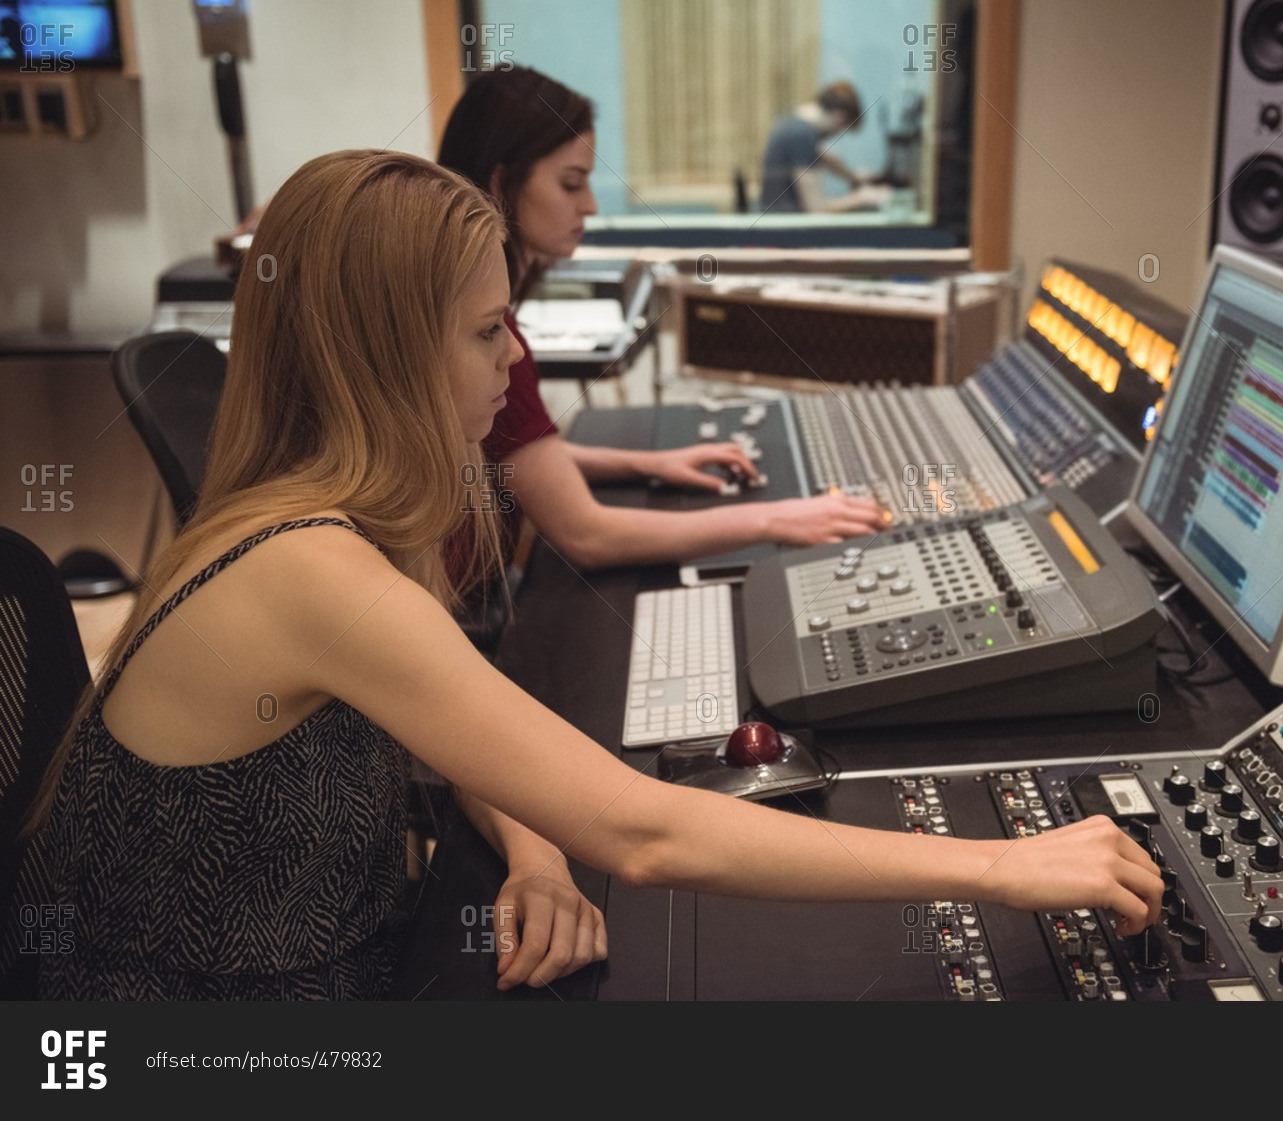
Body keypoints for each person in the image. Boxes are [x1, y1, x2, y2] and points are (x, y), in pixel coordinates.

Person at [23, 150, 1161, 1000]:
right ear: (386, 362)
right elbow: (648, 834)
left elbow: (444, 726)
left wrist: (531, 844)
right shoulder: (312, 570)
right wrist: (1005, 867)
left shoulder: (339, 521)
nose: (516, 358)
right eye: (485, 332)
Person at [438, 66, 888, 569]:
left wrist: (649, 463)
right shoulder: (489, 339)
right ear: (502, 184)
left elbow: (517, 457)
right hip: (472, 612)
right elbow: (588, 535)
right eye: (571, 184)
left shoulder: (485, 323)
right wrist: (777, 520)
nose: (589, 206)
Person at [759, 80, 890, 214]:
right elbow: (817, 208)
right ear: (839, 117)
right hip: (785, 227)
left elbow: (826, 157)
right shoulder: (801, 136)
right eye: (842, 130)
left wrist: (853, 176)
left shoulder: (792, 122)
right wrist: (863, 197)